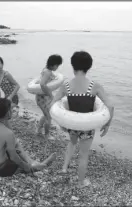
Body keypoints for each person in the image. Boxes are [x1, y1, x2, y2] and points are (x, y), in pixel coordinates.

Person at [49, 51, 114, 188]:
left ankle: (64, 168)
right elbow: (110, 106)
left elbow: (53, 104)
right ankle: (80, 182)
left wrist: (61, 122)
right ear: (89, 67)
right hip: (87, 128)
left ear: (73, 66)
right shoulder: (94, 86)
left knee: (71, 143)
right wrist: (107, 123)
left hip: (72, 125)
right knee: (84, 155)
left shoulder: (66, 85)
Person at [0, 98, 56, 177]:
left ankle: (31, 162)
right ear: (8, 113)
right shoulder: (7, 133)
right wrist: (27, 167)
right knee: (19, 159)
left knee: (14, 144)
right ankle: (36, 167)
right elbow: (14, 158)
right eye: (11, 110)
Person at [36, 55, 63, 140]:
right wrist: (50, 95)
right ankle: (47, 135)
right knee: (49, 117)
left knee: (45, 114)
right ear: (53, 64)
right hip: (43, 98)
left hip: (41, 97)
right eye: (57, 65)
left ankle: (38, 129)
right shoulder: (47, 72)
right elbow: (42, 84)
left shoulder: (46, 69)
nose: (58, 67)